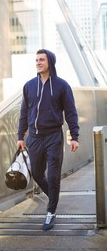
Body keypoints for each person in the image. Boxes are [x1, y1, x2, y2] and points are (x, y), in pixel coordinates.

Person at [17, 49, 79, 231]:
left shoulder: (62, 86)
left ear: (50, 62)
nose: (38, 62)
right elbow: (23, 114)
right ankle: (54, 198)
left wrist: (74, 137)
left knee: (53, 176)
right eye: (36, 60)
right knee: (36, 173)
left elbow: (71, 112)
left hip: (54, 136)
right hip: (34, 137)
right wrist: (21, 136)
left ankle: (50, 212)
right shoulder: (29, 86)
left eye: (41, 59)